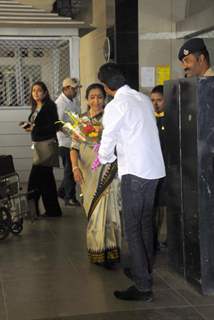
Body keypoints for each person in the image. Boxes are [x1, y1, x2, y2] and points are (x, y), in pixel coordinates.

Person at [95, 63, 165, 301]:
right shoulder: (142, 99)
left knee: (133, 228)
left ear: (106, 87)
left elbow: (108, 139)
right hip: (154, 169)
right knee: (145, 223)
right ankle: (141, 268)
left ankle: (143, 286)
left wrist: (104, 158)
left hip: (135, 172)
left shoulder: (116, 105)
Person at [70, 83, 121, 269]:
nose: (96, 101)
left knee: (108, 211)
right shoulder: (81, 120)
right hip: (86, 172)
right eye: (92, 97)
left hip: (106, 171)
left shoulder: (110, 117)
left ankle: (111, 250)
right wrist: (75, 168)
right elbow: (74, 148)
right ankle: (97, 250)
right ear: (87, 99)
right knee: (92, 211)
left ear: (104, 98)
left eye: (100, 97)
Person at [26, 81, 62, 217]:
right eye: (33, 90)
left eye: (39, 90)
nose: (36, 93)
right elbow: (36, 125)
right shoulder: (36, 107)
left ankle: (32, 211)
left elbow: (55, 126)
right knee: (47, 181)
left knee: (34, 181)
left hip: (46, 147)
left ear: (45, 92)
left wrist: (35, 128)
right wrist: (29, 126)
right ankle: (53, 210)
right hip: (38, 147)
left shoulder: (49, 106)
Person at [56, 78, 81, 206]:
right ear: (65, 89)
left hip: (75, 140)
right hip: (65, 142)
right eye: (74, 88)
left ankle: (61, 191)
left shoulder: (74, 101)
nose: (76, 90)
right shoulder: (60, 103)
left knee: (70, 169)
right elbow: (58, 123)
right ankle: (69, 197)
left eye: (77, 88)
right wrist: (71, 132)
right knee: (70, 170)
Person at [150, 85, 167, 251]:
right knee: (154, 206)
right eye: (152, 100)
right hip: (153, 169)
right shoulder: (149, 120)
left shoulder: (171, 118)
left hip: (169, 169)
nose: (155, 104)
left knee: (163, 206)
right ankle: (153, 240)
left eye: (159, 100)